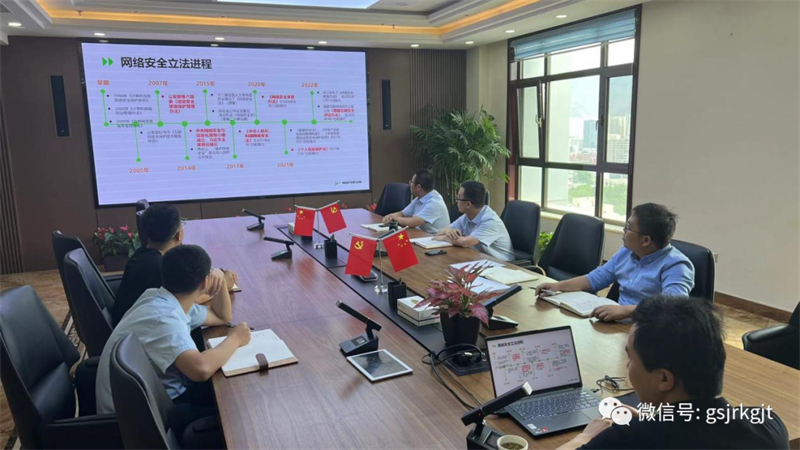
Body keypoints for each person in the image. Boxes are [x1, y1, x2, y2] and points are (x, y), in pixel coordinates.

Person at [557, 296, 788, 449]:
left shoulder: (627, 439)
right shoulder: (769, 425)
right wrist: (655, 419)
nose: (627, 367)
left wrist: (586, 436)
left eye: (631, 359)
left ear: (664, 379)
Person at [95, 244, 250, 422]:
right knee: (237, 406)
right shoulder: (164, 317)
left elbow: (221, 316)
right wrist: (235, 338)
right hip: (140, 419)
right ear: (205, 283)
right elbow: (201, 369)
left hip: (144, 401)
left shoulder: (160, 298)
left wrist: (220, 279)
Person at [536, 203, 694, 321]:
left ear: (645, 240)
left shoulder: (676, 265)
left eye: (628, 228)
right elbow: (596, 278)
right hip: (617, 322)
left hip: (649, 330)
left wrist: (626, 311)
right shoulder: (627, 252)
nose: (623, 232)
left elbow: (672, 305)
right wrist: (558, 286)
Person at [112, 204, 237, 325]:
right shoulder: (162, 267)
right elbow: (189, 300)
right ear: (179, 235)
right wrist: (221, 285)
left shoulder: (141, 255)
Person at [434, 181, 515, 262]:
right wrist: (449, 231)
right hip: (480, 258)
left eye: (459, 197)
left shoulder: (490, 221)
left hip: (503, 264)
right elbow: (440, 232)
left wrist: (445, 237)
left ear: (468, 204)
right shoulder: (467, 216)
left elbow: (465, 242)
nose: (457, 201)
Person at [381, 168, 450, 234]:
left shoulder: (435, 203)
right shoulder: (419, 198)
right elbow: (402, 213)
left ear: (418, 187)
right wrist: (390, 216)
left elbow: (413, 222)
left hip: (435, 239)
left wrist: (395, 218)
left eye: (411, 182)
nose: (409, 184)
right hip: (422, 235)